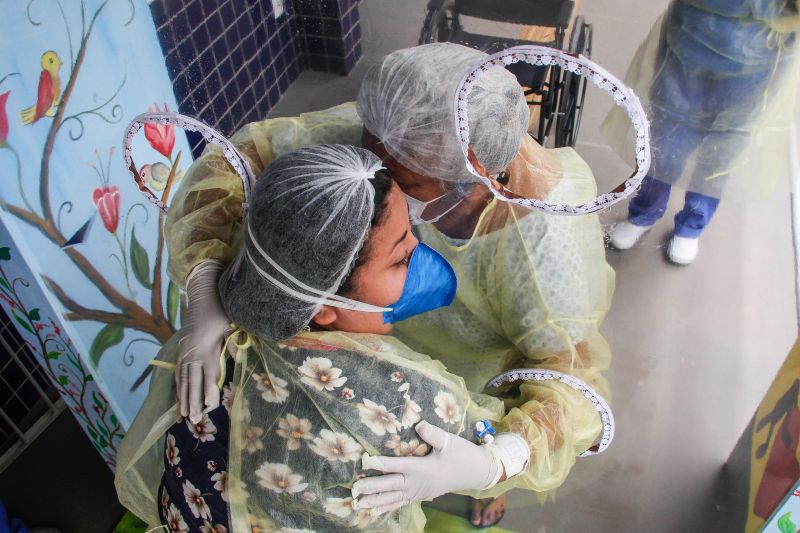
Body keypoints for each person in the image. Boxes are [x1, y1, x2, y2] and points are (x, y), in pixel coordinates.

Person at [162, 43, 613, 528]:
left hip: (462, 385)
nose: (379, 187)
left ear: (474, 181)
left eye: (405, 185)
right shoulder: (400, 132)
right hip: (356, 343)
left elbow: (572, 383)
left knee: (447, 454)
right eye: (370, 151)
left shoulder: (546, 244)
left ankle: (475, 495)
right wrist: (203, 281)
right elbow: (235, 160)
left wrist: (498, 459)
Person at [116, 143, 540, 532]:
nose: (419, 253)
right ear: (324, 307)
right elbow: (546, 432)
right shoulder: (405, 404)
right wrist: (496, 464)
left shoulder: (209, 346)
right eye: (400, 257)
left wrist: (203, 278)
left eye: (411, 230)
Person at [606, 0, 800, 264]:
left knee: (723, 148)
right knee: (666, 138)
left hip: (762, 53)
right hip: (690, 35)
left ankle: (692, 223)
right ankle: (643, 213)